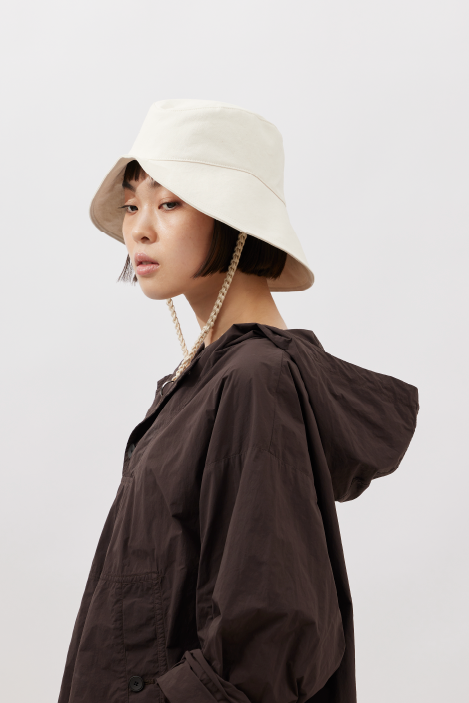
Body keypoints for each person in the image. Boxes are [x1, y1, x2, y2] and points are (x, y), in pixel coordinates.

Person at [58, 100, 419, 703]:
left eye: (169, 202)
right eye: (132, 204)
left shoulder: (256, 379)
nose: (138, 228)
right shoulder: (205, 380)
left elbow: (266, 640)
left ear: (235, 219)